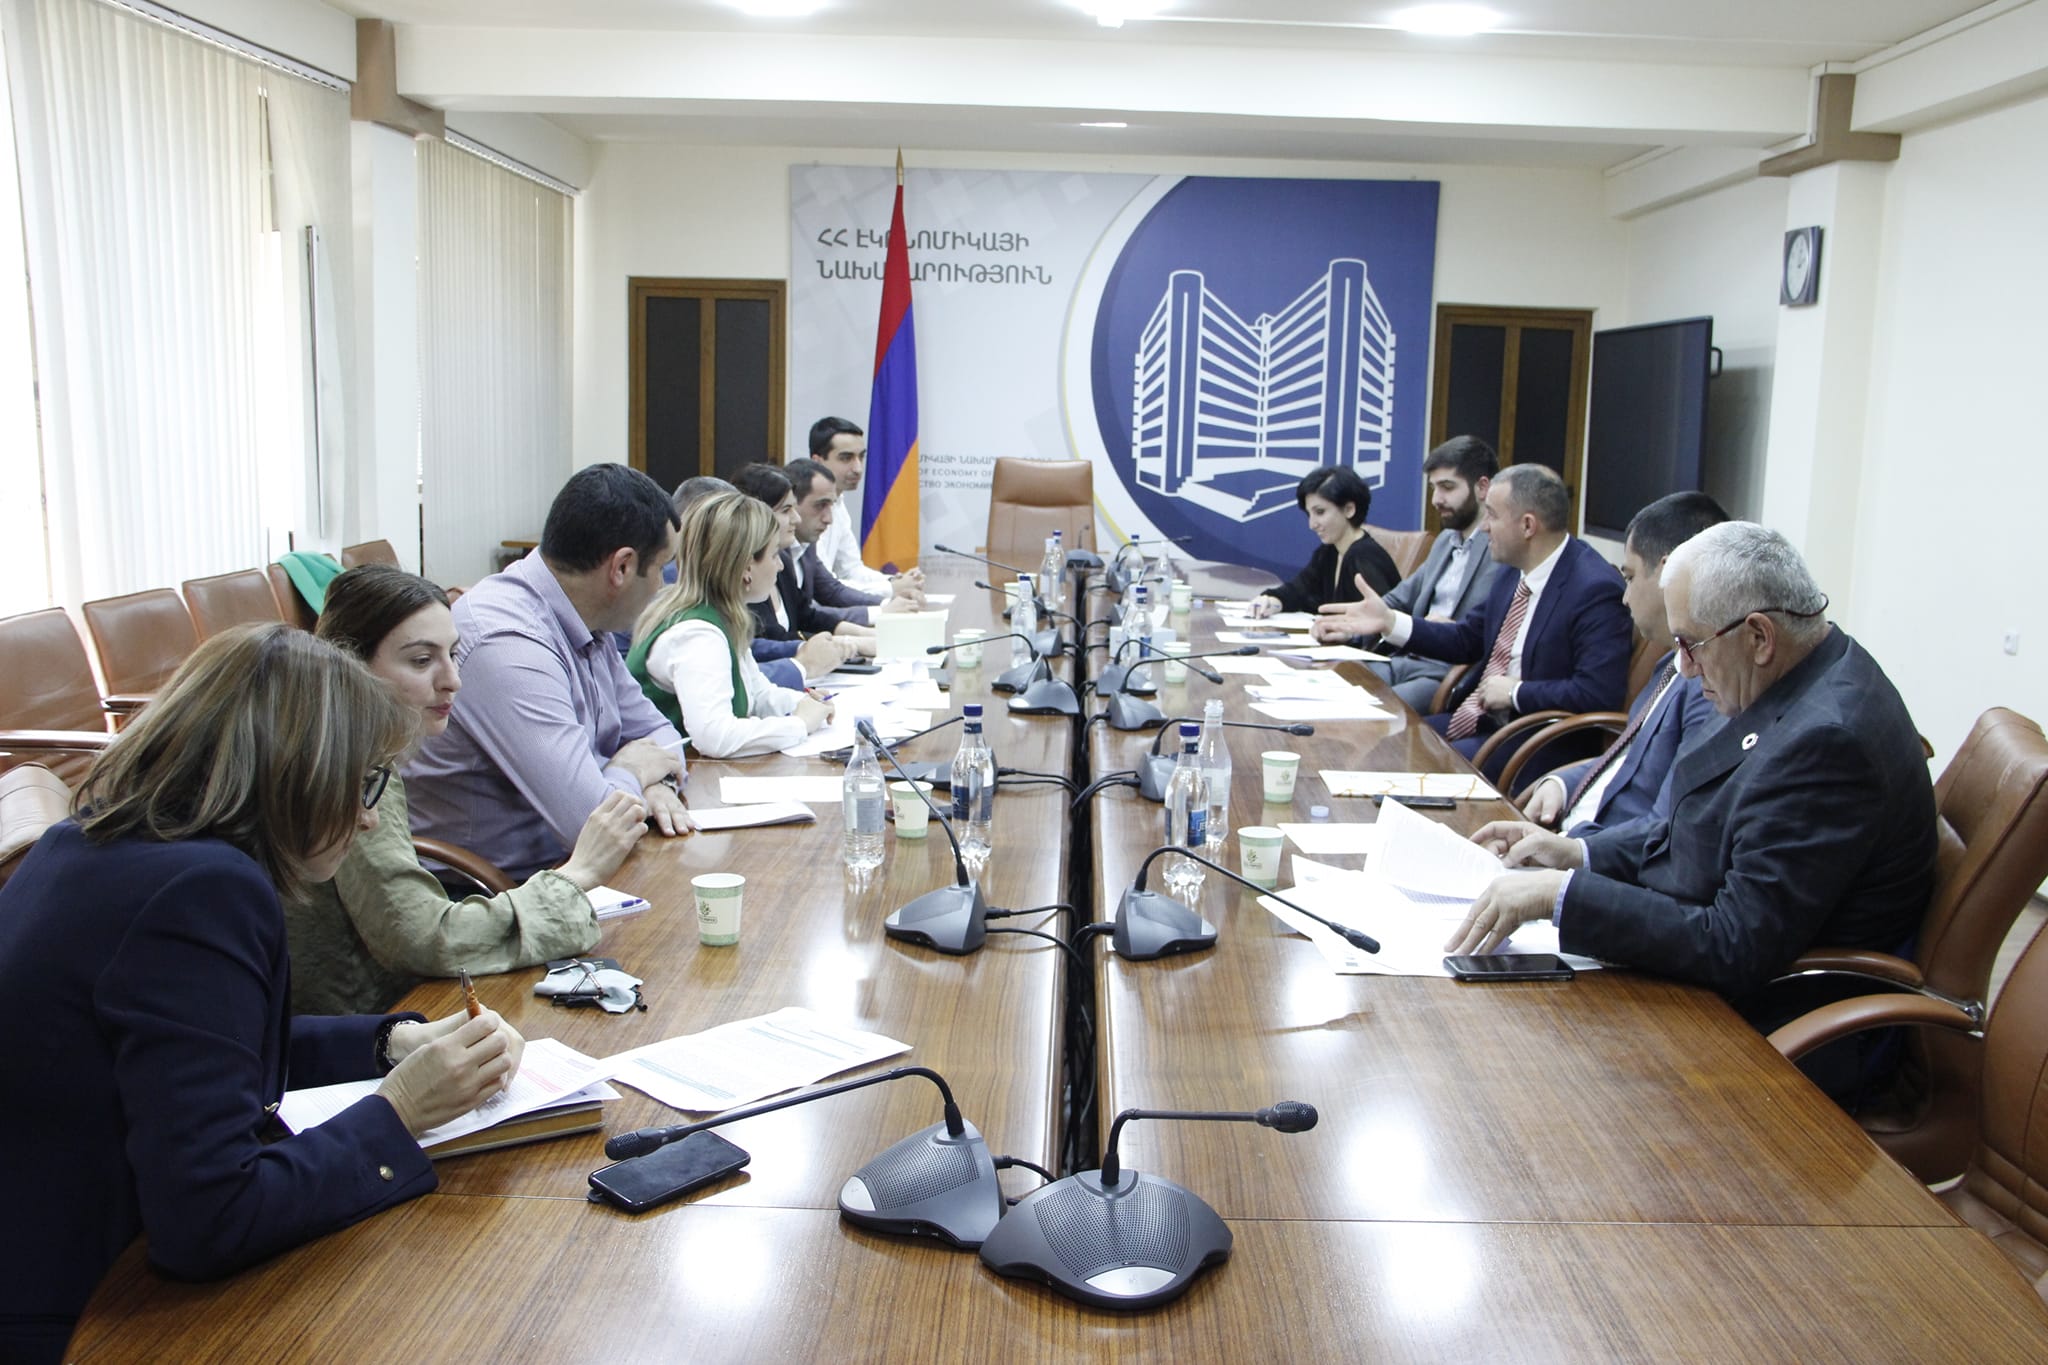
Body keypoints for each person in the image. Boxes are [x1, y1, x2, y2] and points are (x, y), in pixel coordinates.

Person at [0, 625, 524, 1363]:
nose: (369, 816)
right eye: (362, 784)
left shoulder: (93, 842)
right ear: (295, 774)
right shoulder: (202, 889)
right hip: (83, 1315)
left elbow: (200, 1045)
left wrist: (388, 1041)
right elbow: (212, 1218)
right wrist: (401, 1109)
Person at [1448, 523, 1937, 1063]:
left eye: (1689, 644)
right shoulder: (1796, 672)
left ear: (1759, 637)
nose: (1682, 667)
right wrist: (1576, 853)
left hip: (1776, 1023)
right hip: (1718, 974)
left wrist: (1561, 896)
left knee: (1519, 1050)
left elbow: (1735, 944)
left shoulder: (1826, 741)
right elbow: (1695, 830)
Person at [284, 565, 650, 1016]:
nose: (453, 680)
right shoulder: (349, 763)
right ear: (351, 665)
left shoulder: (358, 743)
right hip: (358, 1021)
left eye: (453, 654)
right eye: (422, 661)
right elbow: (423, 937)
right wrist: (577, 875)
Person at [407, 463, 692, 880]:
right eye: (662, 570)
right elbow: (589, 824)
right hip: (496, 893)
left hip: (571, 870)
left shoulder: (588, 618)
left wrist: (657, 783)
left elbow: (661, 735)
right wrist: (632, 770)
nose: (663, 589)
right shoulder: (505, 642)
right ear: (622, 568)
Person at [1316, 463, 1633, 775]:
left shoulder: (1594, 589)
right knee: (1383, 740)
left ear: (1527, 526)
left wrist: (1516, 692)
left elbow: (1597, 693)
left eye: (1492, 515)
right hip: (1482, 720)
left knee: (1411, 764)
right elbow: (1467, 639)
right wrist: (1390, 622)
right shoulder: (1513, 571)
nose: (1483, 527)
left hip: (1535, 740)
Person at [1519, 491, 1727, 834]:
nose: (1625, 597)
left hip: (1599, 850)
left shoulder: (1709, 687)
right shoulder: (1672, 661)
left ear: (1669, 572)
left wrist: (1573, 849)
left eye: (1629, 577)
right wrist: (1562, 784)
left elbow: (1665, 828)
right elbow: (1627, 759)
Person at [629, 491, 833, 758]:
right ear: (746, 566)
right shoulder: (697, 635)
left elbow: (757, 694)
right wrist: (800, 723)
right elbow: (714, 737)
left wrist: (803, 702)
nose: (780, 567)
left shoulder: (720, 615)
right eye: (774, 555)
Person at [1318, 435, 1501, 710]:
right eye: (1434, 488)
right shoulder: (1445, 541)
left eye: (1447, 487)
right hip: (1401, 658)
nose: (1436, 499)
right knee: (1321, 690)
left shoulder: (1501, 548)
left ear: (1482, 487)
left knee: (1365, 712)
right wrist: (1350, 628)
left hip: (1446, 673)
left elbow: (1490, 630)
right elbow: (1398, 599)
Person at [728, 463, 858, 681]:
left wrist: (861, 637)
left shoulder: (784, 561)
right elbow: (760, 646)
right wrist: (808, 658)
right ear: (756, 514)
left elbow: (807, 615)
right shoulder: (740, 583)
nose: (796, 519)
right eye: (786, 510)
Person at [1245, 465, 1401, 617]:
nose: (1312, 524)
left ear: (1349, 509)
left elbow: (1380, 621)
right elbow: (1298, 591)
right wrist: (1271, 602)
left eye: (1320, 512)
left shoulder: (1365, 557)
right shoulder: (1329, 552)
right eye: (1309, 514)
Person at [809, 415, 925, 602]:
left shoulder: (838, 504)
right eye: (846, 458)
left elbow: (851, 569)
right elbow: (826, 586)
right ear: (817, 461)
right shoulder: (805, 510)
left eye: (861, 457)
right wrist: (891, 589)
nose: (858, 468)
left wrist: (894, 580)